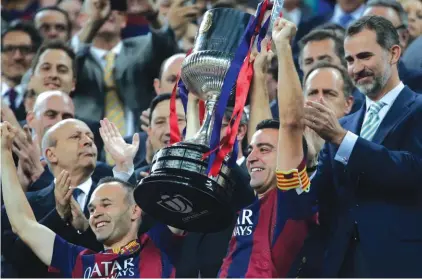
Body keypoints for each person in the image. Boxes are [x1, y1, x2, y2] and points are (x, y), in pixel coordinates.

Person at [302, 15, 422, 277]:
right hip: (342, 263)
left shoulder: (418, 110)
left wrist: (343, 139)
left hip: (399, 264)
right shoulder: (344, 125)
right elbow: (318, 196)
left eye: (365, 56)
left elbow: (413, 170)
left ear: (393, 53)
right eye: (350, 60)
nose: (356, 68)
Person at [1, 122, 185, 278]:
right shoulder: (79, 260)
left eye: (106, 204)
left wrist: (192, 104)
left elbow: (189, 197)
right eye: (92, 209)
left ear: (135, 211)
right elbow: (23, 225)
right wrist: (4, 153)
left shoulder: (157, 243)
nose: (96, 214)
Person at [218, 18, 315, 278]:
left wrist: (283, 48)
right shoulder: (257, 202)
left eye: (264, 150)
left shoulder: (290, 195)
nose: (251, 156)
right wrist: (259, 73)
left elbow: (292, 124)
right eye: (251, 149)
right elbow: (262, 129)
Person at [1, 21, 41, 121]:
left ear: (36, 55)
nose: (17, 57)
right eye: (9, 49)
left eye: (25, 49)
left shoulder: (43, 99)